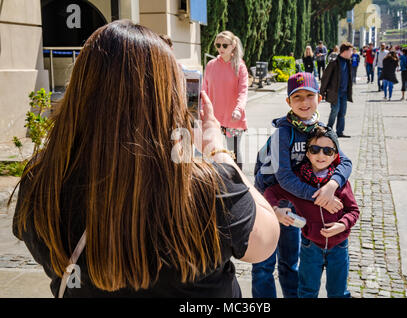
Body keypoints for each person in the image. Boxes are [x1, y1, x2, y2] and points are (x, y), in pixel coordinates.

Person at [11, 20, 280, 298]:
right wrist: (220, 152)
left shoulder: (41, 180)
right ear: (168, 96)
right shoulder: (205, 186)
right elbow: (265, 242)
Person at [253, 72, 353, 298]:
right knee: (263, 265)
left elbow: (344, 160)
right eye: (297, 97)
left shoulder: (319, 130)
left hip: (294, 206)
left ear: (320, 98)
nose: (304, 102)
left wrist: (331, 187)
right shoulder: (283, 133)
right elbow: (284, 178)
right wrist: (319, 197)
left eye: (309, 95)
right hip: (270, 204)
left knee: (290, 262)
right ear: (288, 102)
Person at [263, 126, 360, 298]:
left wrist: (342, 225)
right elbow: (272, 192)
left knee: (339, 292)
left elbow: (353, 211)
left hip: (339, 245)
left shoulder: (340, 182)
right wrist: (275, 210)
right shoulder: (298, 179)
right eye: (315, 149)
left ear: (335, 155)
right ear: (307, 153)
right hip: (310, 246)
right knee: (307, 291)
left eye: (328, 151)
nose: (321, 155)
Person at [203, 31, 248, 169]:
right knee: (213, 152)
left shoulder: (240, 66)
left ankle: (238, 182)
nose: (220, 49)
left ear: (233, 45)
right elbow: (204, 89)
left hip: (233, 118)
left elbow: (243, 91)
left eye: (224, 45)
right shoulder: (211, 65)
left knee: (233, 152)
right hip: (214, 118)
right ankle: (218, 181)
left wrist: (238, 109)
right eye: (217, 45)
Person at [320, 42, 354, 138]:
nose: (351, 53)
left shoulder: (348, 62)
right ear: (345, 51)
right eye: (350, 51)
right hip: (335, 92)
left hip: (344, 92)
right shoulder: (334, 62)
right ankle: (328, 129)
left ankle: (340, 132)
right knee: (335, 110)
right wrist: (321, 93)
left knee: (342, 112)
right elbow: (325, 78)